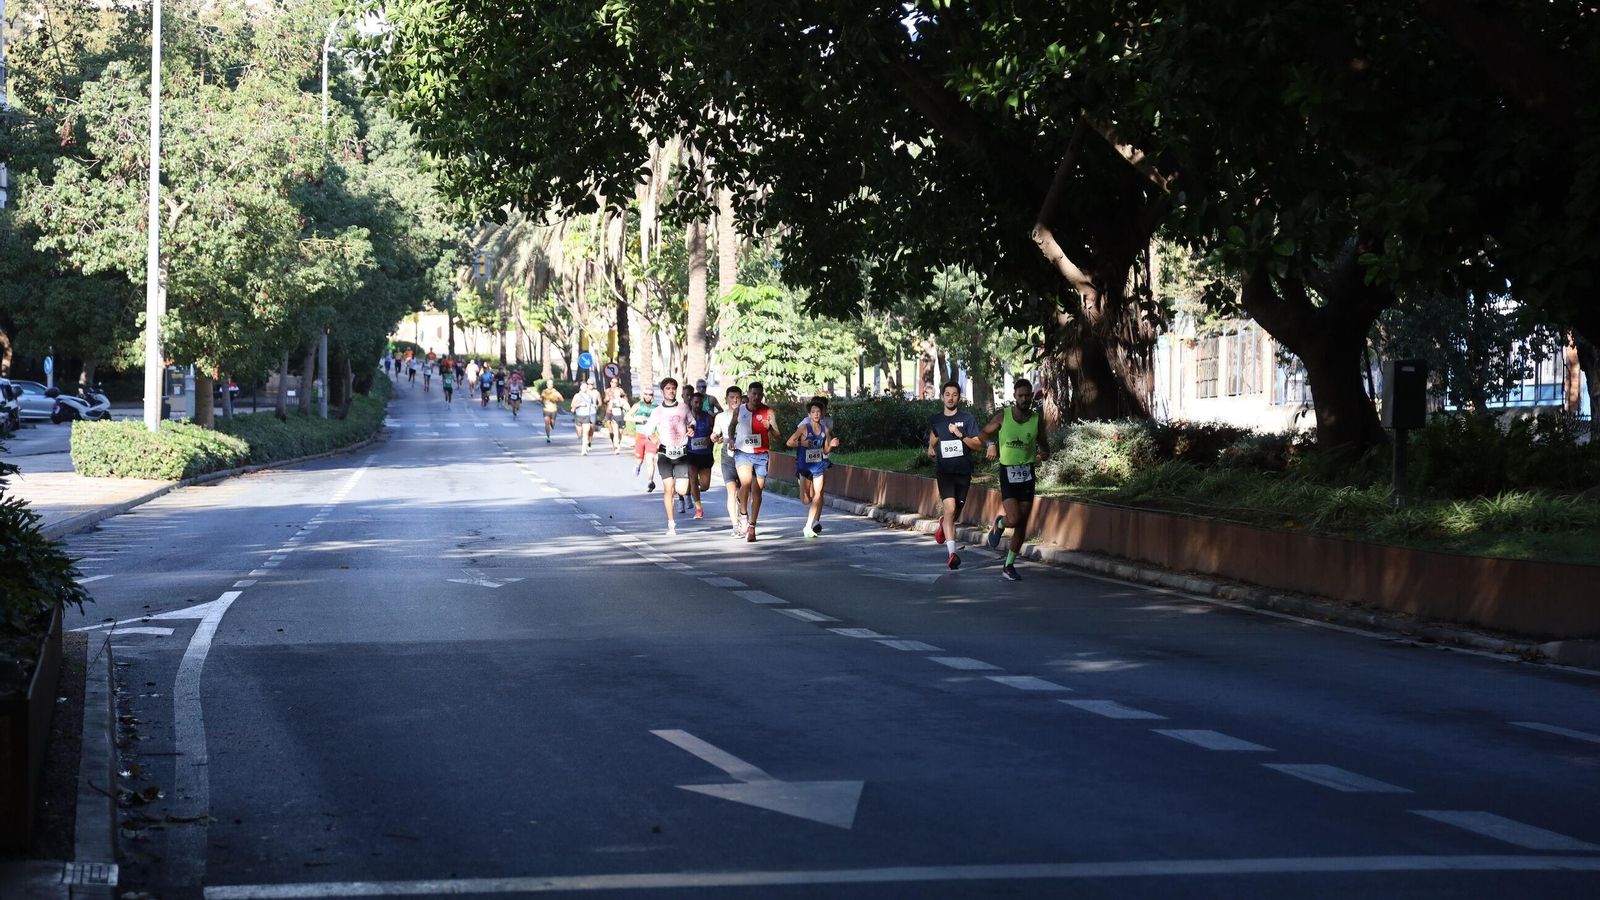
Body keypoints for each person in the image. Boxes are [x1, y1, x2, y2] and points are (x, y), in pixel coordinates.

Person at [980, 379, 1052, 582]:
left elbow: (1044, 445)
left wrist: (1044, 453)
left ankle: (1009, 565)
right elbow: (983, 433)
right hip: (1008, 473)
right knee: (1015, 518)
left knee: (1022, 525)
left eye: (1028, 395)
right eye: (1021, 395)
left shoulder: (1036, 420)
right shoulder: (1004, 416)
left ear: (1031, 396)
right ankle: (1001, 522)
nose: (1025, 399)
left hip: (1027, 474)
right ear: (1015, 397)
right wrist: (991, 444)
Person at [927, 380, 984, 570]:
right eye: (947, 394)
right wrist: (930, 447)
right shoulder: (937, 420)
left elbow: (977, 445)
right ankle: (952, 554)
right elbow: (934, 435)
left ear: (959, 397)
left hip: (963, 472)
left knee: (955, 513)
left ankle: (944, 523)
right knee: (950, 509)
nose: (951, 398)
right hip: (945, 472)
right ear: (942, 396)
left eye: (954, 394)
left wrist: (961, 435)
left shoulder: (967, 419)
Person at [641, 378, 695, 534]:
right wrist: (654, 438)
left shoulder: (684, 408)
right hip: (665, 453)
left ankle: (681, 497)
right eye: (668, 388)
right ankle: (671, 523)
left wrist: (691, 428)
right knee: (668, 488)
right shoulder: (658, 411)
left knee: (682, 489)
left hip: (682, 453)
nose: (671, 391)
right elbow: (648, 429)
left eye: (673, 388)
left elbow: (693, 422)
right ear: (662, 391)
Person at [787, 396, 841, 539]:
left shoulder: (826, 429)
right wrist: (802, 444)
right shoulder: (804, 427)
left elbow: (825, 451)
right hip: (804, 465)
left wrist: (832, 445)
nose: (817, 414)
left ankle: (808, 526)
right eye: (814, 411)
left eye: (819, 411)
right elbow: (789, 442)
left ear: (822, 413)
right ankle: (800, 481)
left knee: (818, 496)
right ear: (809, 414)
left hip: (818, 465)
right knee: (806, 499)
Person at [733, 381, 779, 542]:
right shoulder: (740, 409)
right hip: (743, 453)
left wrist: (770, 428)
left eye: (759, 394)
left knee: (757, 491)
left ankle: (752, 525)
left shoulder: (768, 411)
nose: (756, 397)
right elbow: (732, 425)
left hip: (761, 455)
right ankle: (744, 515)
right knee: (745, 483)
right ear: (749, 393)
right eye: (753, 394)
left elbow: (778, 435)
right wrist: (731, 440)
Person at [711, 386, 745, 537]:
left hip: (745, 452)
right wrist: (714, 437)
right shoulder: (720, 417)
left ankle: (743, 513)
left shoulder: (746, 414)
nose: (735, 400)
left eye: (737, 397)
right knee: (731, 490)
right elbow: (715, 433)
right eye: (731, 397)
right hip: (727, 452)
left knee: (745, 489)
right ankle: (735, 525)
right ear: (726, 399)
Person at [683, 389, 716, 520]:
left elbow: (716, 432)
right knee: (692, 476)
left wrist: (713, 438)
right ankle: (698, 509)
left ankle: (692, 488)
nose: (698, 405)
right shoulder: (685, 418)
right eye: (695, 402)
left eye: (700, 403)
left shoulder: (708, 417)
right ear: (690, 402)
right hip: (690, 454)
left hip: (705, 455)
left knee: (705, 486)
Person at [628, 386, 659, 491]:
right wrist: (636, 418)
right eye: (646, 394)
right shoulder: (638, 406)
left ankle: (650, 482)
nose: (648, 396)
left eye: (650, 395)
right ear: (643, 395)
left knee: (650, 460)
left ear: (653, 396)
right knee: (639, 460)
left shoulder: (656, 407)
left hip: (651, 436)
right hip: (640, 436)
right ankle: (637, 466)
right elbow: (626, 416)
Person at [571, 380, 601, 455]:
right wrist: (579, 405)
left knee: (586, 432)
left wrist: (595, 407)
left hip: (587, 416)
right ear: (580, 387)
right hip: (579, 416)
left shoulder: (589, 396)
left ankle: (584, 450)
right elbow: (572, 405)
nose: (584, 388)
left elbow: (592, 405)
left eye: (585, 387)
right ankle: (582, 440)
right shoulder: (577, 395)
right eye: (583, 386)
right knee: (579, 433)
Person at [604, 378, 629, 454]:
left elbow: (625, 398)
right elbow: (604, 400)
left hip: (619, 411)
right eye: (612, 382)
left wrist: (623, 403)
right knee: (610, 427)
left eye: (616, 382)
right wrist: (606, 400)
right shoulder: (607, 390)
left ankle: (617, 442)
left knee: (619, 432)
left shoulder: (620, 390)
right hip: (610, 410)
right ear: (610, 382)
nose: (614, 383)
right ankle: (614, 442)